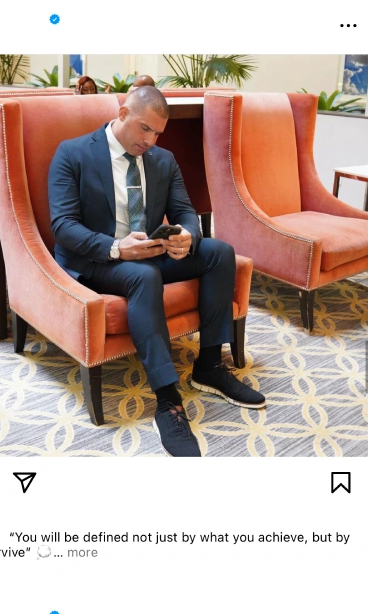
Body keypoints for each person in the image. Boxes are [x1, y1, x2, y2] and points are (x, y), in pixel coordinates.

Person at [48, 86, 265, 458]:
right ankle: (168, 401)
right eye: (144, 128)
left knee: (219, 252)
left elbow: (185, 212)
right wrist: (117, 247)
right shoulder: (73, 153)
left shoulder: (163, 160)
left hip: (149, 250)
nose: (150, 140)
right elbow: (63, 226)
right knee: (144, 276)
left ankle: (209, 366)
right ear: (122, 114)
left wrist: (186, 236)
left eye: (157, 133)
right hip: (98, 260)